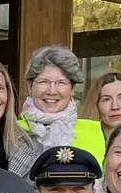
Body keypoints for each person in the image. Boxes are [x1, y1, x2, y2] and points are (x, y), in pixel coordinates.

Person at [12, 45, 105, 176]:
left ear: (72, 88)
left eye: (61, 83)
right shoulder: (13, 131)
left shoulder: (94, 132)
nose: (52, 91)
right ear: (30, 87)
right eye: (44, 82)